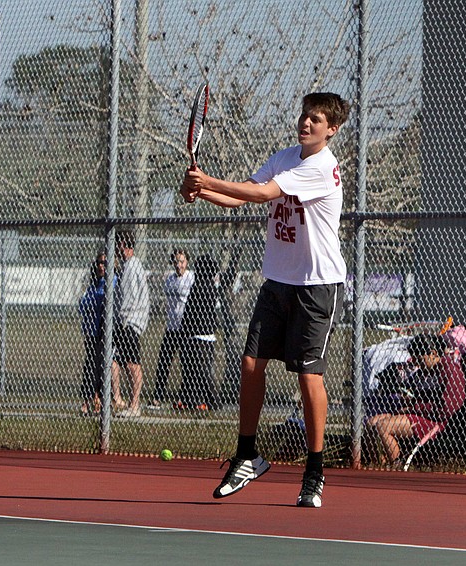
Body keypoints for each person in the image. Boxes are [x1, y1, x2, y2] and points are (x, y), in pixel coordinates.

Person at [181, 92, 350, 507]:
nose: (306, 123)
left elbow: (262, 195)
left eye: (315, 119)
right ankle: (247, 454)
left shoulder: (321, 167)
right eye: (304, 116)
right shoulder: (283, 156)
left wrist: (208, 181)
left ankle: (314, 470)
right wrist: (202, 193)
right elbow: (242, 195)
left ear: (332, 130)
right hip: (277, 282)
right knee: (251, 363)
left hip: (317, 286)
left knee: (308, 376)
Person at [366, 333, 466, 467]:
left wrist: (416, 407)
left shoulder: (449, 369)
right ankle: (380, 465)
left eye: (420, 359)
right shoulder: (425, 372)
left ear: (433, 353)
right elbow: (416, 395)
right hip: (418, 414)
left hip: (436, 420)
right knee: (371, 423)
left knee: (383, 427)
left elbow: (448, 406)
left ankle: (398, 466)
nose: (418, 364)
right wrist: (408, 400)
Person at [111, 230, 150, 418]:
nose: (117, 248)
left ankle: (135, 405)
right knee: (117, 361)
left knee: (132, 364)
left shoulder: (133, 265)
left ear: (125, 246)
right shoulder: (125, 266)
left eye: (119, 244)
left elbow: (132, 296)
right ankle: (119, 400)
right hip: (122, 321)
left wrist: (126, 321)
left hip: (130, 322)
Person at [150, 248, 194, 410]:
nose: (178, 265)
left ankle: (185, 397)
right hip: (171, 327)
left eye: (181, 261)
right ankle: (158, 396)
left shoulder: (191, 278)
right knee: (164, 362)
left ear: (186, 262)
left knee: (186, 363)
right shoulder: (169, 280)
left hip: (185, 328)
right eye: (176, 261)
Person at [177, 255, 220, 411]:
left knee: (197, 371)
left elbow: (189, 312)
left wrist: (184, 330)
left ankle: (208, 401)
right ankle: (191, 399)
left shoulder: (198, 287)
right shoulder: (211, 287)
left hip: (197, 336)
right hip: (207, 335)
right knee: (199, 370)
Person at [78, 252, 108, 416]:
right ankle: (87, 401)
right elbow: (83, 305)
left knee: (100, 367)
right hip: (91, 332)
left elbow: (101, 303)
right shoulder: (92, 285)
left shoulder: (110, 283)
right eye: (99, 263)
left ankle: (99, 401)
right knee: (89, 366)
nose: (101, 266)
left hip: (103, 332)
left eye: (104, 263)